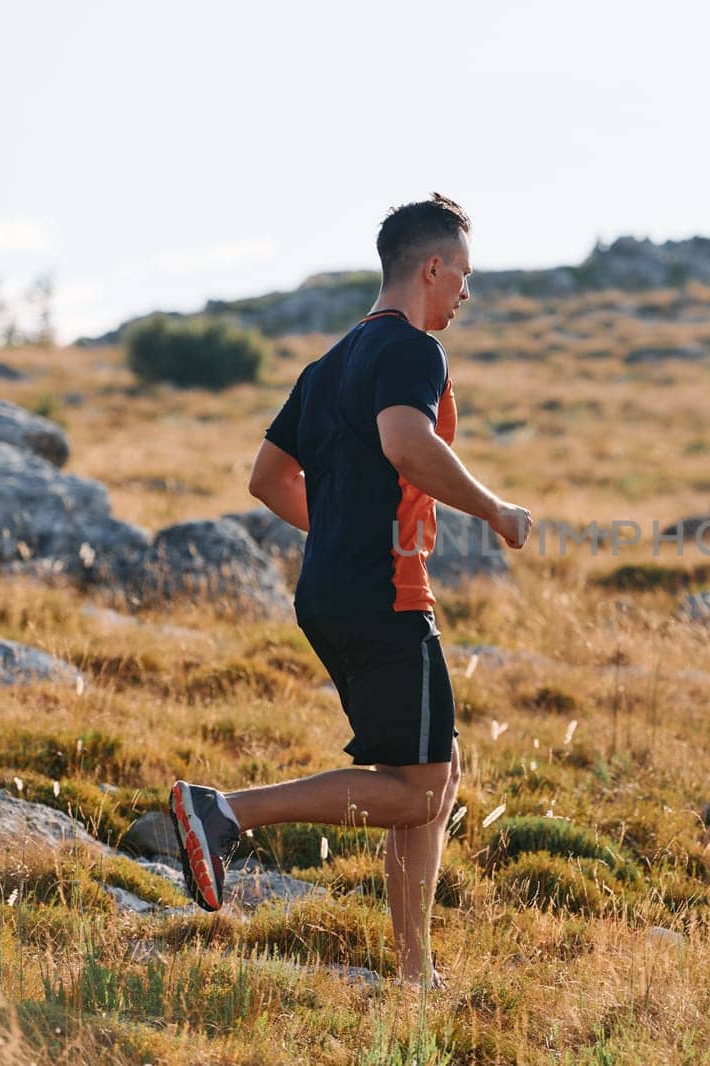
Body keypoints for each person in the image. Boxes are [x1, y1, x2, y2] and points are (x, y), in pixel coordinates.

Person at [169, 193, 533, 988]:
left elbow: (268, 480)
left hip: (330, 589)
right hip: (387, 593)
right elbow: (407, 443)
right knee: (420, 792)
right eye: (462, 276)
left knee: (431, 781)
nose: (465, 295)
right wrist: (496, 511)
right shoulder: (411, 350)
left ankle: (414, 975)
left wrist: (335, 535)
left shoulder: (327, 364)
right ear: (431, 268)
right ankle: (225, 812)